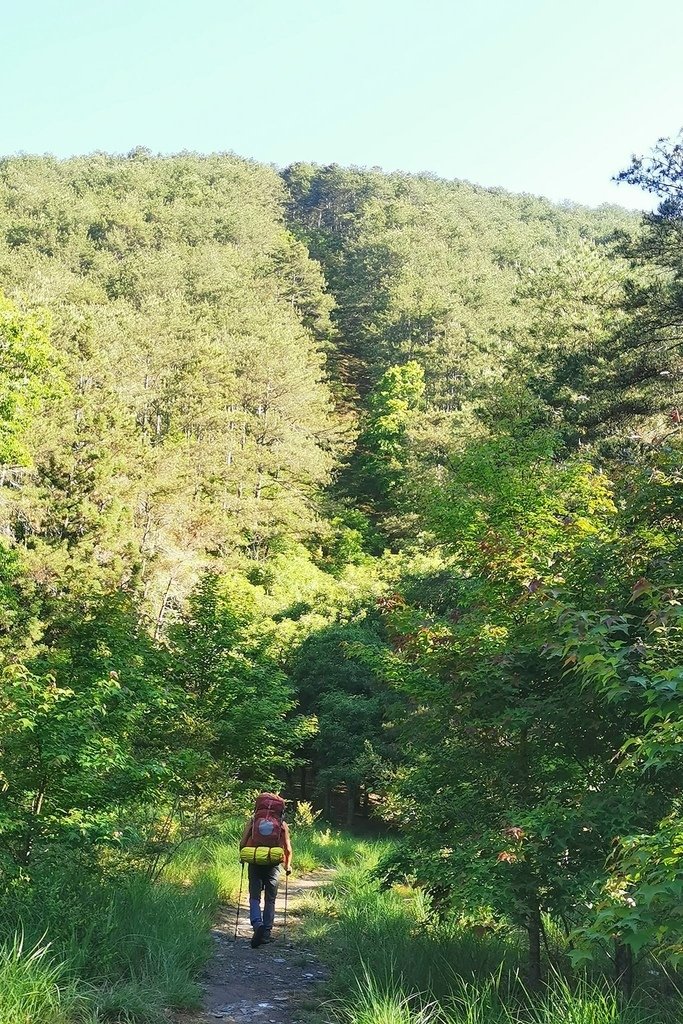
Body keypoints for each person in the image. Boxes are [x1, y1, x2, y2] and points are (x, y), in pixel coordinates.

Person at [240, 794, 292, 947]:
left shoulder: (253, 822)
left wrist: (243, 857)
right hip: (273, 863)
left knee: (254, 897)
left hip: (255, 861)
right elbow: (287, 848)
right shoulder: (282, 825)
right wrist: (287, 865)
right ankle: (266, 932)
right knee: (270, 899)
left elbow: (243, 842)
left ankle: (257, 925)